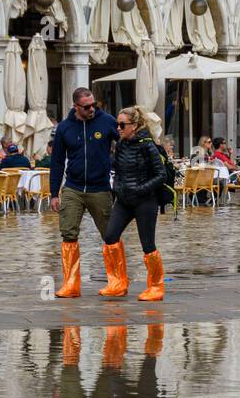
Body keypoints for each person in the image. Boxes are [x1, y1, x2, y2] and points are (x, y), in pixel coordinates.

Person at [49, 87, 118, 298]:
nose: (92, 110)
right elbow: (57, 162)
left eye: (94, 105)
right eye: (87, 107)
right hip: (73, 187)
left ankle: (117, 281)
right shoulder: (64, 128)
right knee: (68, 232)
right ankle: (70, 285)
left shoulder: (107, 121)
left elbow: (125, 143)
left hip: (100, 187)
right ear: (76, 106)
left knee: (110, 234)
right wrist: (54, 193)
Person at [101, 106, 172, 300]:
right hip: (124, 200)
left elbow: (161, 175)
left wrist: (140, 189)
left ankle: (156, 287)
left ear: (134, 125)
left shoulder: (147, 145)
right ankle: (117, 283)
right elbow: (117, 169)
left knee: (147, 244)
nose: (118, 128)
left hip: (145, 202)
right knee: (110, 236)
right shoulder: (122, 144)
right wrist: (117, 188)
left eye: (122, 124)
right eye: (117, 124)